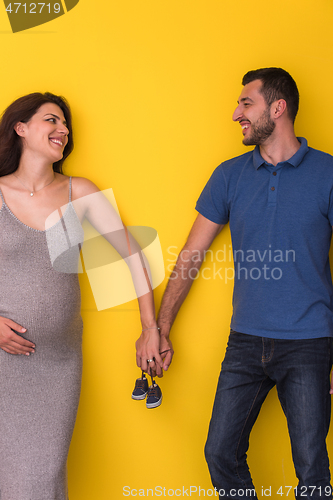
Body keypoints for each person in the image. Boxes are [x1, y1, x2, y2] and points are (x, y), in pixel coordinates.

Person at [156, 68, 333, 499]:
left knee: (312, 470)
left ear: (278, 108)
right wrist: (159, 327)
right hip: (245, 343)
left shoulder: (328, 173)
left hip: (310, 343)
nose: (236, 113)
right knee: (220, 452)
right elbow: (190, 257)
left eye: (245, 103)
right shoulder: (230, 175)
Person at [0, 92, 163, 500]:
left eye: (65, 124)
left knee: (43, 478)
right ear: (20, 128)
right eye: (51, 120)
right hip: (3, 360)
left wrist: (150, 327)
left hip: (57, 363)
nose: (63, 130)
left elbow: (133, 255)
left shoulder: (80, 192)